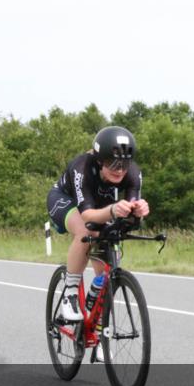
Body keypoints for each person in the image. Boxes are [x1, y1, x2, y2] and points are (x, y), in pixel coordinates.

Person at [46, 126, 150, 322]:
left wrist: (139, 211)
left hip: (100, 202)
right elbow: (87, 215)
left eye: (124, 164)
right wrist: (112, 210)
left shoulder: (133, 174)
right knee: (86, 231)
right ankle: (70, 293)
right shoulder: (82, 167)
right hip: (65, 200)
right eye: (113, 163)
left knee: (110, 249)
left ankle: (99, 328)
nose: (119, 169)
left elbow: (131, 218)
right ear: (100, 159)